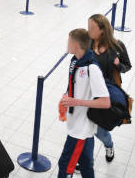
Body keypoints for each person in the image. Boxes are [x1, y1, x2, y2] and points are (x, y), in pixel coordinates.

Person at [58, 28, 111, 178]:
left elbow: (105, 102)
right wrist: (66, 96)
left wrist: (75, 101)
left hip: (80, 130)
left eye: (69, 41)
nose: (67, 45)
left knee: (65, 165)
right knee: (87, 165)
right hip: (78, 125)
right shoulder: (75, 61)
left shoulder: (92, 68)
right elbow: (73, 85)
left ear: (76, 45)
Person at [87, 14, 132, 163]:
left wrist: (118, 64)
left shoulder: (117, 46)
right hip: (87, 92)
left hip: (106, 95)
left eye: (92, 28)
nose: (88, 31)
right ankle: (86, 160)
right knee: (86, 130)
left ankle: (109, 145)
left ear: (102, 30)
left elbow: (127, 66)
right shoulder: (88, 43)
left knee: (100, 131)